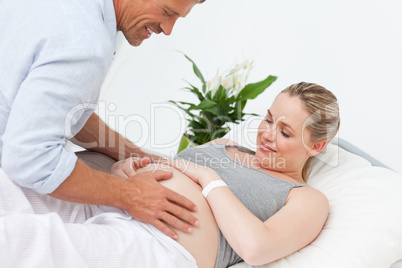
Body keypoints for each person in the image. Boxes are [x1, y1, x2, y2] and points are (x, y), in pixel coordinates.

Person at [0, 0, 205, 240]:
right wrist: (131, 195)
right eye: (168, 13)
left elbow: (56, 111)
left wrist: (134, 154)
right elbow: (30, 158)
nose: (168, 29)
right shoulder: (85, 44)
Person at [114, 82, 341, 267]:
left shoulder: (307, 199)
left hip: (154, 244)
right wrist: (125, 170)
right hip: (116, 202)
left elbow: (256, 248)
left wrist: (207, 177)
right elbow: (170, 167)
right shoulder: (224, 144)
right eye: (268, 120)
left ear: (316, 147)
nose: (267, 135)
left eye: (284, 132)